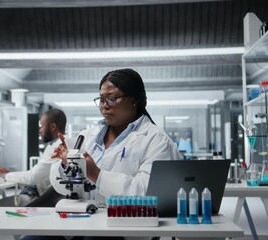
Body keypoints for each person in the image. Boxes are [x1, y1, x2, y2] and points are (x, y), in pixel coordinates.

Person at [22, 69, 181, 240]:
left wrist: (96, 174)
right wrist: (65, 165)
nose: (104, 105)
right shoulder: (87, 136)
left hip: (124, 229)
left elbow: (148, 195)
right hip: (81, 222)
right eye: (101, 99)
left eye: (112, 98)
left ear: (134, 100)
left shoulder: (156, 140)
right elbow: (61, 186)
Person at [0, 108, 69, 207]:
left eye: (42, 126)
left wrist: (2, 176)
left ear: (52, 127)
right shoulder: (56, 145)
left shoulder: (58, 148)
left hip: (36, 194)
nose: (40, 130)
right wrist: (8, 173)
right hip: (34, 189)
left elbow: (32, 177)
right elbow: (35, 174)